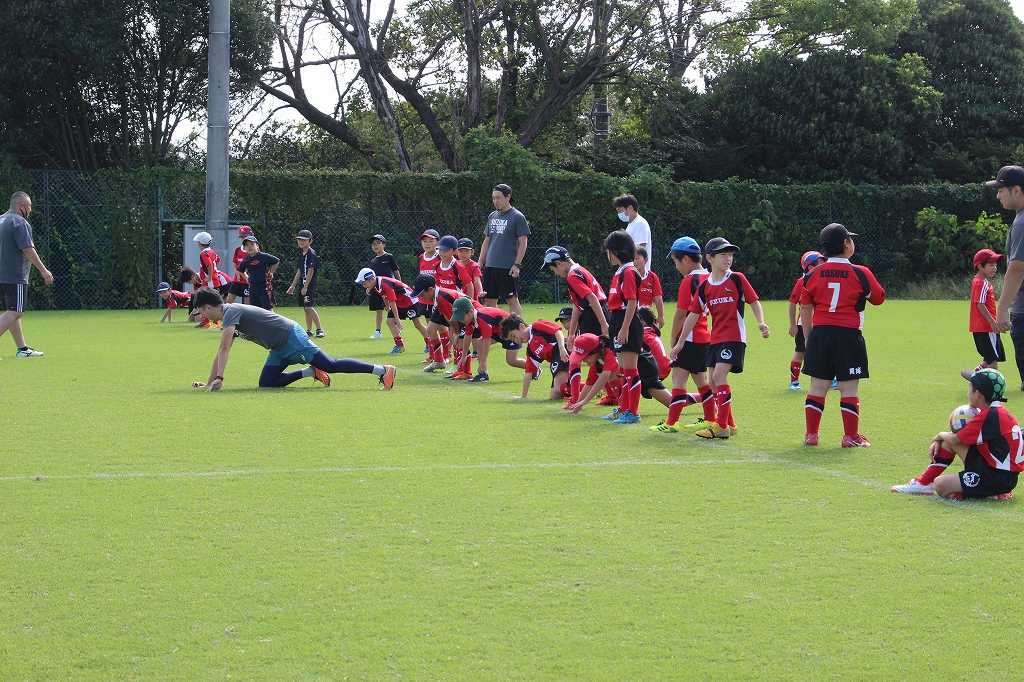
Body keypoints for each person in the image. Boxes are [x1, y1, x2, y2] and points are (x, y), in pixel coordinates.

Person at [191, 287, 396, 391]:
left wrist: (219, 379)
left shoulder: (230, 312)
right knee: (267, 383)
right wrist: (209, 383)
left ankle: (383, 370)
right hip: (278, 347)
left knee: (331, 365)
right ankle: (311, 371)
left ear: (208, 307)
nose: (202, 316)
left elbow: (224, 349)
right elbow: (222, 350)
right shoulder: (229, 315)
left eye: (201, 312)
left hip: (290, 337)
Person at [675, 237, 770, 439]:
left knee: (719, 377)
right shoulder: (705, 286)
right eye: (723, 254)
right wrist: (680, 342)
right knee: (713, 383)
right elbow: (693, 314)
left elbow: (754, 301)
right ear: (710, 258)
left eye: (730, 255)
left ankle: (722, 426)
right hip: (715, 339)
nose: (728, 258)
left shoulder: (736, 278)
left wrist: (761, 322)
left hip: (734, 337)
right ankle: (731, 424)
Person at [800, 223, 885, 448]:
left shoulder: (812, 274)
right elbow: (878, 298)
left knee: (817, 387)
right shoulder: (860, 272)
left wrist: (808, 338)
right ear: (846, 244)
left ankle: (811, 435)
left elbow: (805, 307)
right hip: (848, 336)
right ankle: (850, 436)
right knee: (849, 388)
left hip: (820, 335)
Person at [892, 369, 1019, 500]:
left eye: (970, 388)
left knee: (940, 485)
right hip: (998, 472)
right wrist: (943, 438)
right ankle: (923, 483)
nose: (968, 392)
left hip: (995, 478)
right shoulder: (996, 412)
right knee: (947, 442)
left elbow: (954, 439)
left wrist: (939, 435)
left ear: (978, 395)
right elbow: (955, 440)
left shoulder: (988, 416)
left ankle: (993, 492)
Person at [656, 237, 716, 433]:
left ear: (686, 259)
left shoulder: (689, 281)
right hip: (705, 337)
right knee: (701, 380)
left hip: (689, 338)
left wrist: (674, 338)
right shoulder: (710, 277)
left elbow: (681, 314)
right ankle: (710, 418)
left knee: (678, 379)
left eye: (676, 261)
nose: (676, 267)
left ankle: (671, 423)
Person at [0, 191, 53, 357]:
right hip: (14, 275)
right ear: (22, 207)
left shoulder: (1, 220)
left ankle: (22, 350)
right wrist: (44, 270)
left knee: (12, 310)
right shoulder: (19, 222)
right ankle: (22, 350)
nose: (30, 210)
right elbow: (28, 249)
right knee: (16, 312)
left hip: (2, 275)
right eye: (29, 207)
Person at [603, 230, 645, 424]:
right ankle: (623, 408)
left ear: (615, 251)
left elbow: (632, 301)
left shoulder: (629, 271)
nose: (607, 255)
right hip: (618, 320)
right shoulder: (620, 271)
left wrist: (625, 328)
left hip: (627, 322)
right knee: (624, 370)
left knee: (630, 371)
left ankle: (632, 412)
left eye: (608, 251)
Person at [989, 166, 1024, 388]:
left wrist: (1002, 310)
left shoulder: (1022, 222)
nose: (998, 195)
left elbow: (1017, 268)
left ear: (1017, 190)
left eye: (1001, 190)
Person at [447, 296, 525, 382]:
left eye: (461, 317)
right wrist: (463, 356)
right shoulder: (471, 320)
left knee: (512, 360)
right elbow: (467, 336)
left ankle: (532, 368)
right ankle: (483, 374)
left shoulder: (482, 318)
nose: (460, 320)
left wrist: (483, 363)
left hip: (511, 333)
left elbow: (486, 341)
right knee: (480, 342)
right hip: (499, 334)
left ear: (471, 311)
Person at [479, 183, 530, 315]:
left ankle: (519, 327)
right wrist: (480, 261)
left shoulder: (517, 216)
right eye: (493, 198)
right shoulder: (492, 216)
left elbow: (523, 242)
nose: (495, 201)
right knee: (489, 301)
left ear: (508, 197)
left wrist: (517, 265)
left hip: (507, 267)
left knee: (512, 300)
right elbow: (487, 240)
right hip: (490, 266)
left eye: (498, 198)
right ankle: (494, 327)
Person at [542, 246, 610, 341]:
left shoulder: (572, 276)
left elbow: (592, 298)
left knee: (591, 349)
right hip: (600, 311)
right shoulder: (580, 270)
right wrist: (572, 334)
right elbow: (577, 305)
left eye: (554, 270)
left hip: (593, 316)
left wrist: (603, 324)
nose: (556, 273)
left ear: (558, 263)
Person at [500, 314, 569, 400]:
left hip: (564, 353)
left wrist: (562, 348)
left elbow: (557, 332)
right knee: (555, 395)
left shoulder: (537, 326)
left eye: (513, 336)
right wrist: (523, 397)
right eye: (513, 340)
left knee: (559, 389)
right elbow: (528, 373)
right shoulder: (531, 349)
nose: (516, 340)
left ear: (521, 326)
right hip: (556, 360)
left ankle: (581, 393)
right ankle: (583, 388)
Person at [963, 248, 1005, 377]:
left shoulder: (978, 281)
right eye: (991, 265)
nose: (995, 268)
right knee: (992, 360)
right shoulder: (982, 283)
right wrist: (993, 323)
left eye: (995, 265)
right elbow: (980, 304)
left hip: (983, 328)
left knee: (990, 356)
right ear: (980, 266)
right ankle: (991, 386)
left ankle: (977, 375)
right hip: (986, 328)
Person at [355, 267, 416, 354]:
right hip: (399, 301)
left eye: (364, 283)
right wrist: (387, 306)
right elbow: (384, 295)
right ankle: (399, 345)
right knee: (389, 321)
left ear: (371, 279)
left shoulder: (384, 284)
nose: (363, 286)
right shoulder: (376, 284)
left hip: (410, 300)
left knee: (417, 323)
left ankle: (430, 343)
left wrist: (397, 320)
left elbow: (392, 301)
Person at [410, 274, 463, 373]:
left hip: (465, 313)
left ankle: (458, 364)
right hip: (448, 309)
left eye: (422, 294)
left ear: (431, 289)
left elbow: (453, 324)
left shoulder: (442, 298)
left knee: (457, 335)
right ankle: (439, 361)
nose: (421, 297)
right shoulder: (436, 297)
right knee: (431, 328)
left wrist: (454, 338)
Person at [787, 250, 824, 390]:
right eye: (821, 262)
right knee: (800, 351)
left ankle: (830, 378)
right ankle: (794, 381)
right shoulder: (802, 281)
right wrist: (792, 325)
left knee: (826, 350)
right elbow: (792, 303)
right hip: (803, 324)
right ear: (810, 266)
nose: (824, 264)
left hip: (822, 322)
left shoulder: (825, 278)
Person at [285, 229, 324, 338]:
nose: (301, 242)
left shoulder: (311, 254)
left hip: (309, 285)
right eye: (299, 239)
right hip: (303, 285)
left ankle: (319, 329)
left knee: (309, 307)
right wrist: (293, 286)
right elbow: (299, 271)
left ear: (310, 241)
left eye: (304, 240)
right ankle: (309, 330)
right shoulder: (302, 254)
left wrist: (306, 286)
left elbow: (311, 270)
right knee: (306, 308)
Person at [366, 234, 401, 339]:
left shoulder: (389, 257)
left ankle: (396, 328)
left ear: (384, 244)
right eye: (373, 244)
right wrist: (369, 287)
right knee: (378, 309)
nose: (375, 246)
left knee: (390, 309)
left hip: (388, 288)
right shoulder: (372, 261)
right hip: (377, 289)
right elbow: (371, 278)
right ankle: (378, 331)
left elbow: (396, 271)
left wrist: (399, 284)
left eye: (378, 243)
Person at [237, 235, 280, 310]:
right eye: (247, 245)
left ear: (257, 246)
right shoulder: (246, 260)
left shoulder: (264, 256)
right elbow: (240, 270)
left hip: (264, 286)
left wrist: (271, 272)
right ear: (244, 248)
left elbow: (276, 261)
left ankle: (270, 317)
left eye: (252, 244)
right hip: (253, 287)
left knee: (267, 308)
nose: (249, 247)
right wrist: (246, 277)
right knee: (255, 308)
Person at [613, 194, 652, 261]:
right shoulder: (632, 224)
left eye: (620, 211)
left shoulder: (640, 223)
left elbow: (640, 251)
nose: (619, 214)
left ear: (630, 208)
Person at [635, 246, 664, 329]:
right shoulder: (628, 276)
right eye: (633, 259)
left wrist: (661, 316)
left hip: (646, 318)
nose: (634, 262)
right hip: (632, 318)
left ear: (646, 260)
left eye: (637, 258)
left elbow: (658, 299)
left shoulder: (652, 277)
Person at [225, 225, 253, 304]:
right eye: (242, 236)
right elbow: (235, 262)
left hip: (248, 281)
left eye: (245, 236)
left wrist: (245, 275)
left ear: (251, 235)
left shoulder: (253, 250)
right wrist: (237, 272)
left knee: (248, 305)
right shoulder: (238, 250)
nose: (243, 239)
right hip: (237, 280)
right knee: (228, 302)